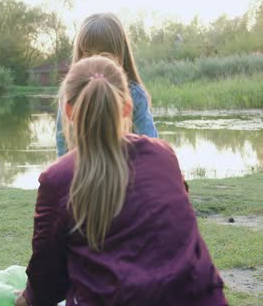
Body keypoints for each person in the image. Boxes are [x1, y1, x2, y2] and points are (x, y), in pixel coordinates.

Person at [15, 56, 227, 306]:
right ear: (127, 107)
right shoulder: (164, 155)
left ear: (69, 111)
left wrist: (23, 300)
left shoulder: (58, 179)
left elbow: (46, 286)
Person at [56, 12, 158, 157]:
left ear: (121, 57)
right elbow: (62, 146)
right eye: (87, 54)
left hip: (127, 171)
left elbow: (152, 144)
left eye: (104, 55)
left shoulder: (134, 94)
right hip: (82, 173)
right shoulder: (70, 95)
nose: (95, 60)